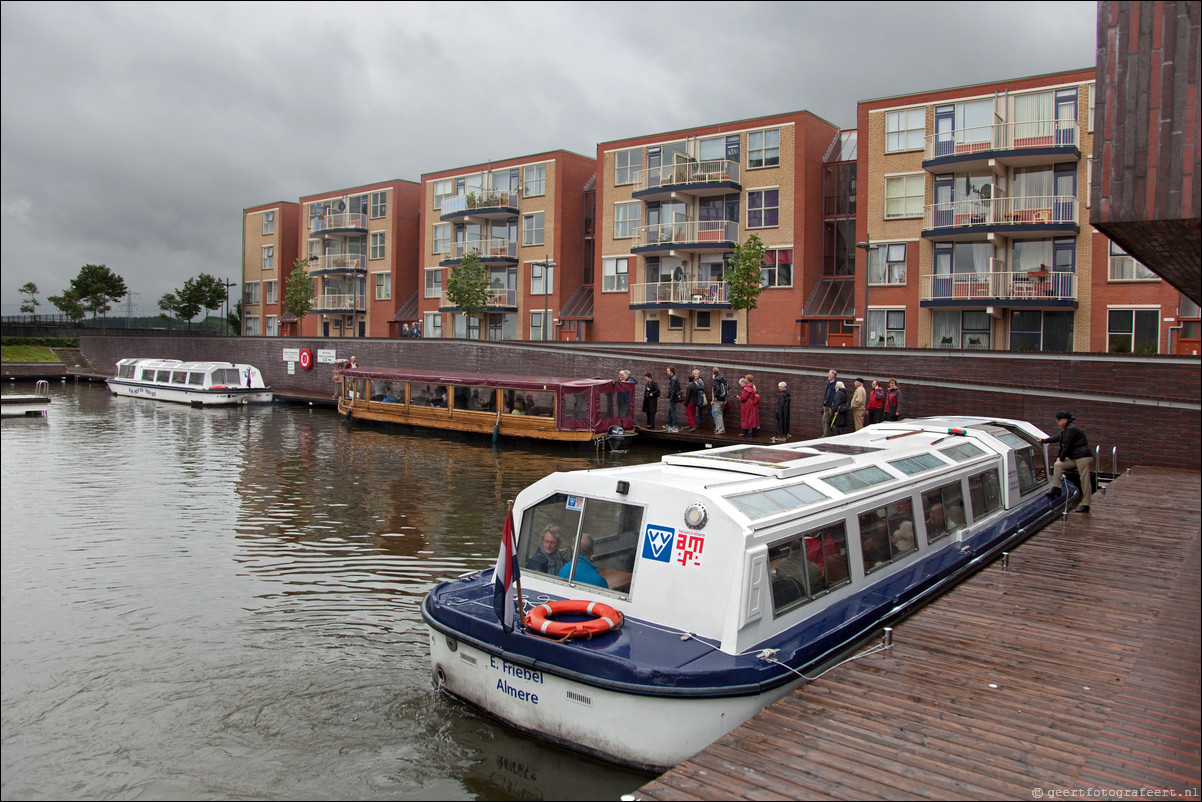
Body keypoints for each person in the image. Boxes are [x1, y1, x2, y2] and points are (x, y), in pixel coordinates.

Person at [1043, 410, 1094, 513]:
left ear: (1064, 420)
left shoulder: (1071, 429)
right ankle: (1056, 487)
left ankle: (1086, 504)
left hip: (1082, 457)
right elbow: (1059, 438)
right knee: (1058, 465)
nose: (1057, 422)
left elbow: (1067, 446)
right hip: (1075, 457)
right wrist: (1044, 440)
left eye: (1058, 420)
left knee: (1084, 480)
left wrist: (1061, 457)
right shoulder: (1067, 429)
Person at [710, 367, 728, 434]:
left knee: (717, 414)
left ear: (713, 372)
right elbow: (727, 387)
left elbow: (717, 388)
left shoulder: (716, 379)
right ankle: (718, 428)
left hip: (718, 399)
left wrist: (715, 396)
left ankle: (720, 429)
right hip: (723, 399)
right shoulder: (723, 378)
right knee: (720, 413)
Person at [822, 369, 838, 437]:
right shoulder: (829, 382)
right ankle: (825, 434)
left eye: (829, 373)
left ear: (832, 375)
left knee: (832, 421)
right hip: (827, 404)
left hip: (832, 405)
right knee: (824, 420)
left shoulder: (836, 383)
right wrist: (824, 402)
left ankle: (835, 435)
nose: (828, 374)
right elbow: (827, 393)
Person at [665, 367, 681, 433]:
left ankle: (675, 426)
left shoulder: (673, 379)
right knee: (670, 410)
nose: (667, 372)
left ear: (671, 372)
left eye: (668, 371)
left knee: (673, 411)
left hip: (673, 397)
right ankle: (669, 424)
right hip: (674, 397)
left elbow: (673, 389)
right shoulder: (674, 378)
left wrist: (671, 397)